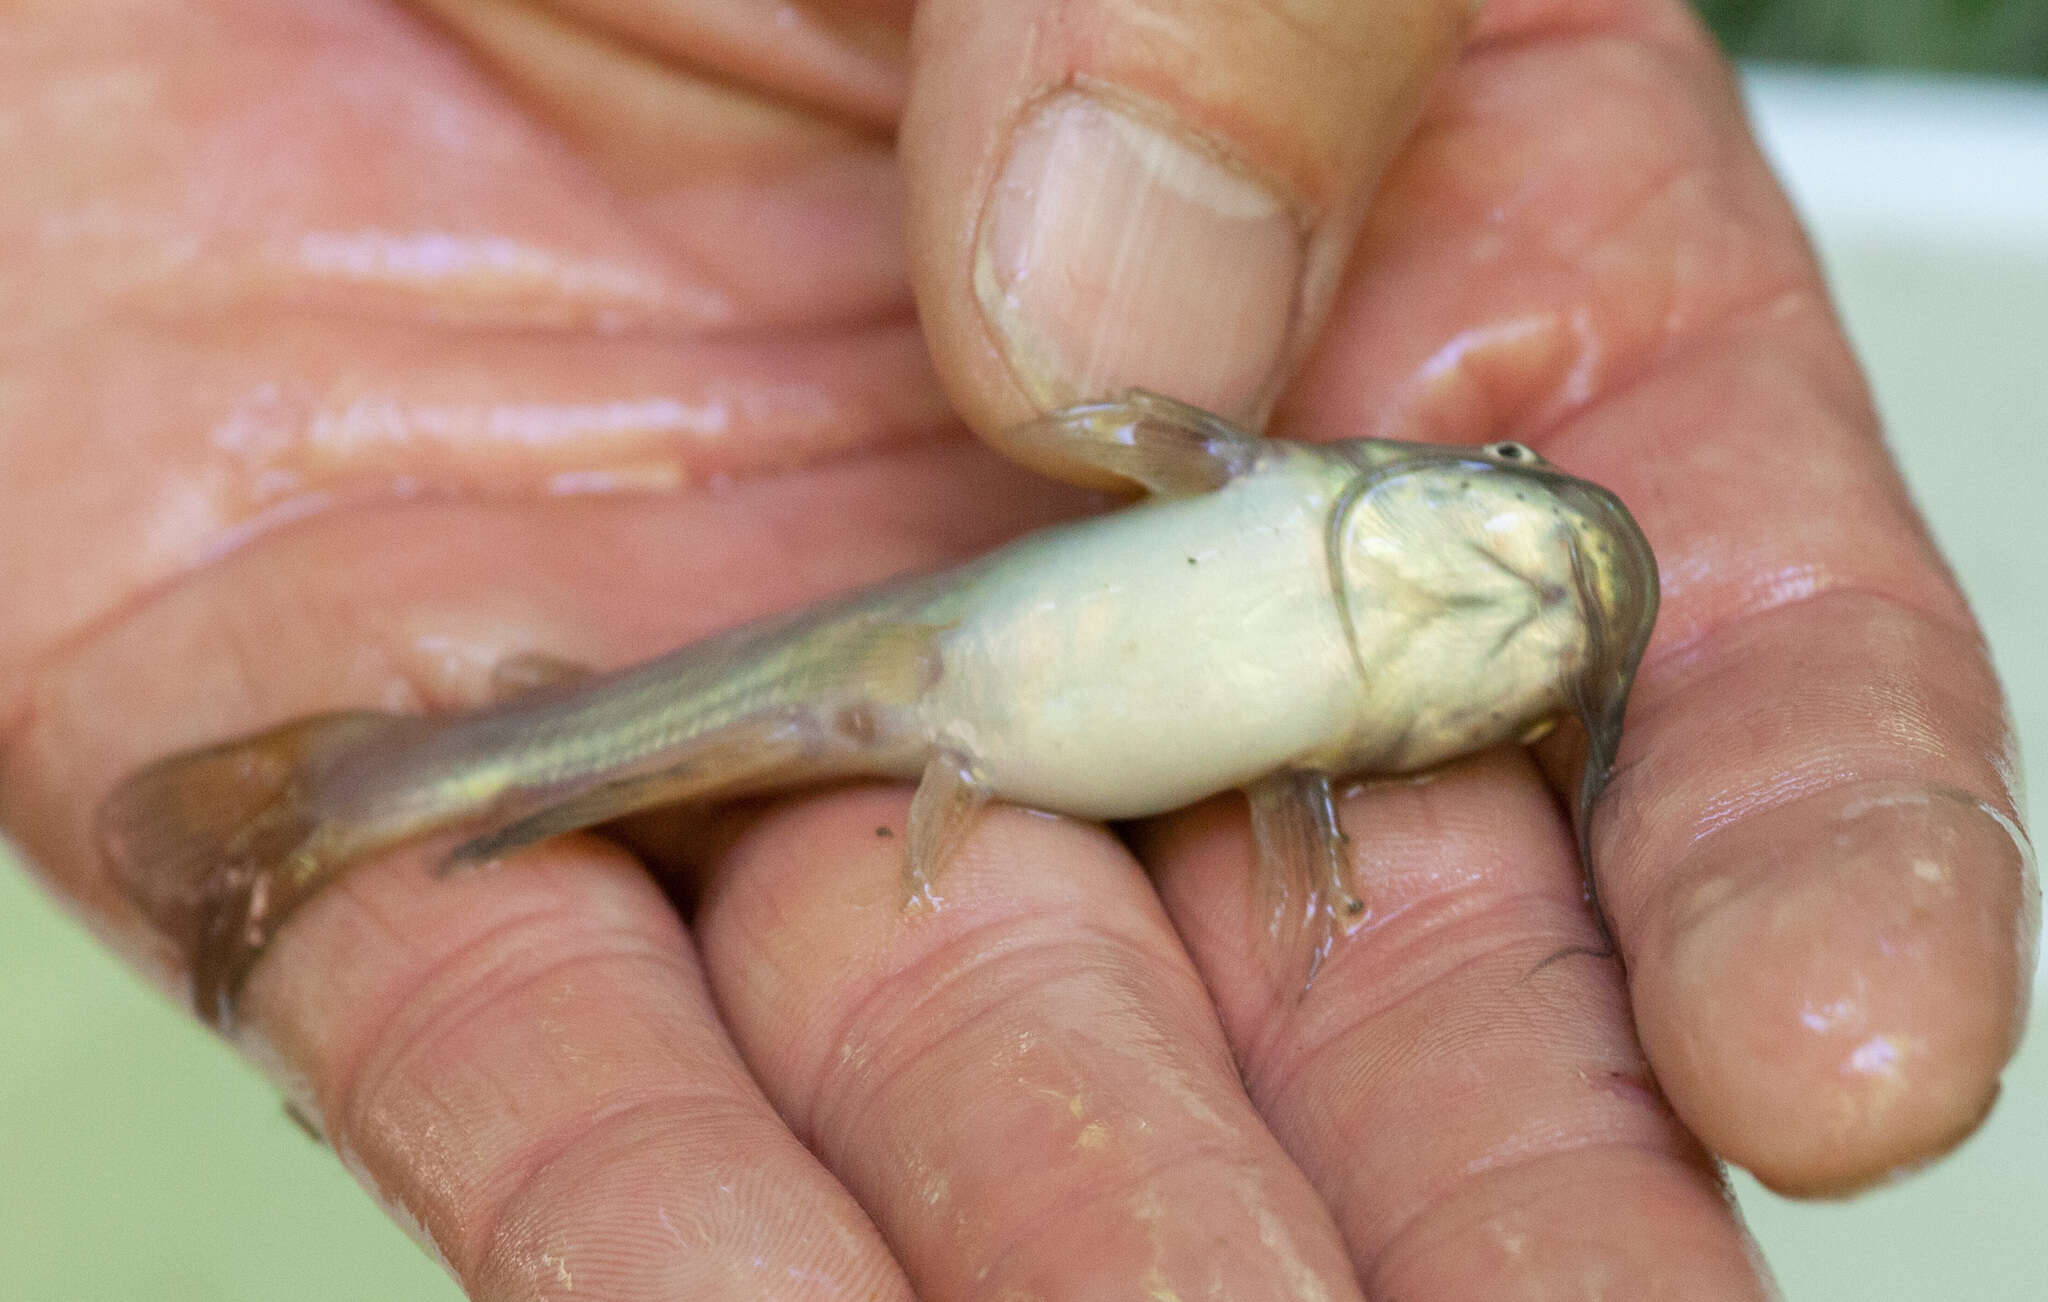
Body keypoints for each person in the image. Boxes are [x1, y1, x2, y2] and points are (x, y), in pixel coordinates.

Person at [1, 0, 2033, 1296]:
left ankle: (387, 792)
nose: (1529, 560)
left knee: (689, 746)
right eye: (1511, 492)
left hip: (973, 710)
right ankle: (371, 787)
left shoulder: (1348, 695)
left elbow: (1296, 758)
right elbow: (1150, 418)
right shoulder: (1286, 490)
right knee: (662, 736)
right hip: (928, 668)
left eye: (1536, 668)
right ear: (1404, 469)